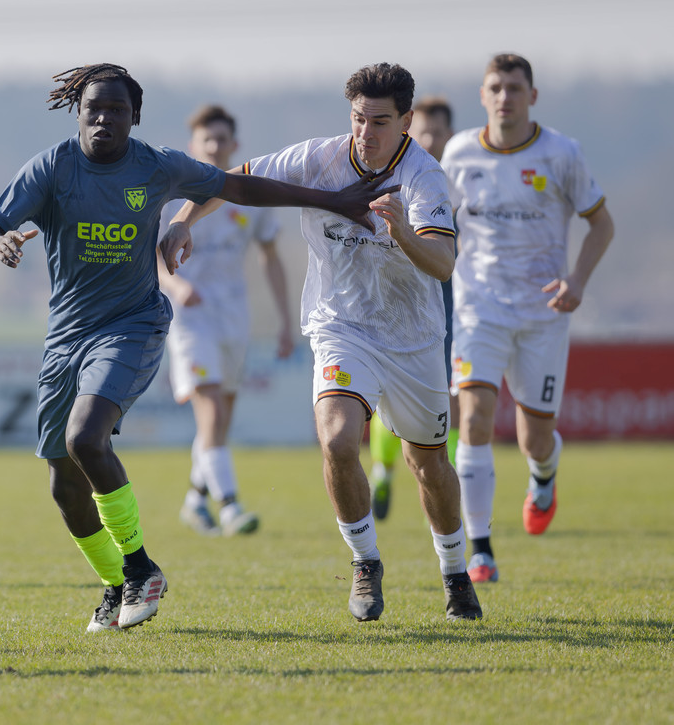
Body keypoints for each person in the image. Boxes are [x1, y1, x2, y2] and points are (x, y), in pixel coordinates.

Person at [0, 63, 393, 633]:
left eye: (117, 110)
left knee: (85, 438)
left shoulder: (156, 165)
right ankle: (115, 585)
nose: (103, 118)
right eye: (94, 109)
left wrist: (333, 199)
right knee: (63, 484)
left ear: (134, 117)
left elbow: (237, 186)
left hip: (132, 324)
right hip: (65, 337)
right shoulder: (52, 167)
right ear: (78, 113)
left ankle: (142, 568)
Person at [162, 63, 483, 622]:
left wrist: (403, 231)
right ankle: (365, 562)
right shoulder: (319, 158)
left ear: (407, 121)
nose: (366, 132)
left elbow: (442, 263)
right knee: (337, 440)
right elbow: (233, 180)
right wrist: (185, 218)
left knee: (428, 465)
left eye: (380, 122)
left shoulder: (424, 177)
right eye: (358, 119)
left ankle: (455, 573)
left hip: (412, 340)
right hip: (341, 327)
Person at [443, 54, 614, 584]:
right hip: (478, 308)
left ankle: (543, 474)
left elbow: (602, 225)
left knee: (534, 439)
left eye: (514, 88)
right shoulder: (459, 153)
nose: (504, 97)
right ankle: (479, 550)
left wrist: (577, 281)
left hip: (544, 313)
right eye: (495, 87)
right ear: (482, 95)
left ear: (532, 96)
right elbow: (436, 222)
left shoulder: (561, 153)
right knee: (473, 419)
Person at [156, 104, 294, 537]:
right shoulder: (172, 196)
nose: (215, 146)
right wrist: (176, 287)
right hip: (190, 318)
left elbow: (270, 256)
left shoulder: (248, 194)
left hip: (234, 317)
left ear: (235, 144)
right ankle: (230, 505)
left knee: (219, 420)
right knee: (212, 411)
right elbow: (151, 257)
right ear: (193, 146)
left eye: (221, 139)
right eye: (207, 139)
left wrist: (286, 320)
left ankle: (195, 499)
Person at [369, 95, 458, 519]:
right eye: (424, 132)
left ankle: (444, 477)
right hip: (395, 300)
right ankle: (383, 470)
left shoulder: (458, 180)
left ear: (450, 135)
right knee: (387, 393)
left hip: (449, 301)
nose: (430, 140)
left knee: (446, 395)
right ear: (408, 130)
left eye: (438, 133)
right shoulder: (396, 175)